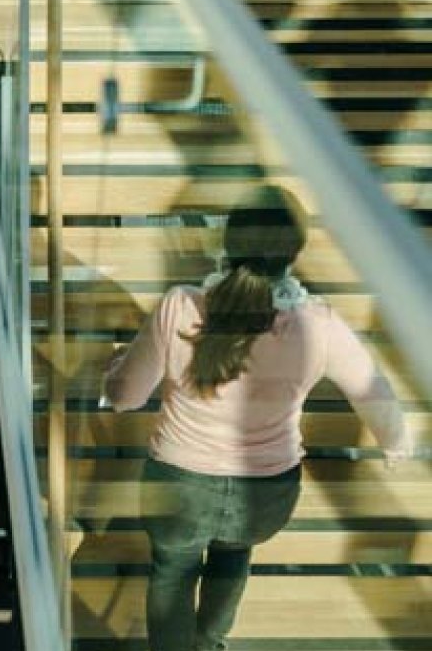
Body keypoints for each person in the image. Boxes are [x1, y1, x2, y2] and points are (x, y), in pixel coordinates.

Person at [102, 188, 412, 651]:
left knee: (172, 567)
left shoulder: (181, 306)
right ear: (295, 253)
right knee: (233, 555)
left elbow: (126, 396)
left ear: (227, 242)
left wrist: (111, 377)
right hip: (265, 492)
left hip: (178, 484)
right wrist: (397, 442)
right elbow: (373, 390)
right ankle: (209, 642)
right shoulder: (318, 324)